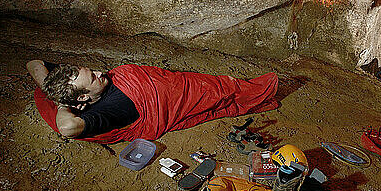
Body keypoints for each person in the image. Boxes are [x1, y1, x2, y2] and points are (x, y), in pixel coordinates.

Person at [26, 60, 280, 144]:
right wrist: (62, 105)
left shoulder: (70, 92)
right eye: (92, 77)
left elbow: (34, 63)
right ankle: (258, 91)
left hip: (167, 82)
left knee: (207, 84)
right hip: (167, 98)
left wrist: (58, 96)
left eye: (92, 70)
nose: (100, 72)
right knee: (221, 91)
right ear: (82, 97)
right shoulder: (108, 110)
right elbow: (67, 128)